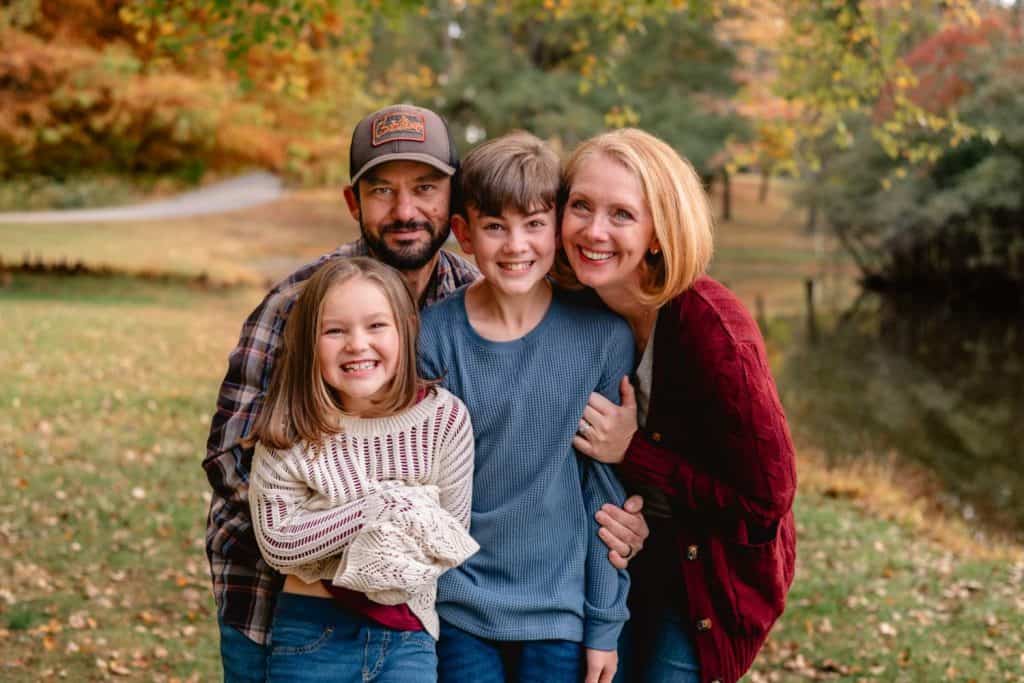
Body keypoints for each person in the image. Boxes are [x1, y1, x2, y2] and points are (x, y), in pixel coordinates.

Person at [202, 104, 648, 681]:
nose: (406, 209)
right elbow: (231, 462)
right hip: (281, 605)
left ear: (451, 206)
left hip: (423, 617)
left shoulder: (470, 290)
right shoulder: (300, 305)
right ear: (352, 203)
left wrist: (629, 481)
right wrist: (367, 532)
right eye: (383, 190)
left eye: (426, 188)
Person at [558, 128, 797, 683]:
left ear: (659, 233)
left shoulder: (712, 329)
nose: (594, 230)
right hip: (609, 555)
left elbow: (767, 500)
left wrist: (632, 452)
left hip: (707, 577)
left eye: (622, 214)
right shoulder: (569, 306)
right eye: (581, 206)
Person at [418, 132, 632, 683]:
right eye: (495, 227)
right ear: (463, 234)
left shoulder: (602, 338)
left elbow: (601, 493)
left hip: (559, 613)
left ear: (558, 227)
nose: (516, 244)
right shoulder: (435, 336)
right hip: (459, 605)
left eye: (534, 223)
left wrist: (604, 624)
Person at [246, 257, 478, 682]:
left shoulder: (444, 420)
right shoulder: (293, 425)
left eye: (376, 326)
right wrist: (384, 507)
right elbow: (279, 543)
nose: (357, 344)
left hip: (407, 634)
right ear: (309, 341)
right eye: (334, 330)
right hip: (312, 629)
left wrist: (323, 523)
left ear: (406, 328)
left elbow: (446, 539)